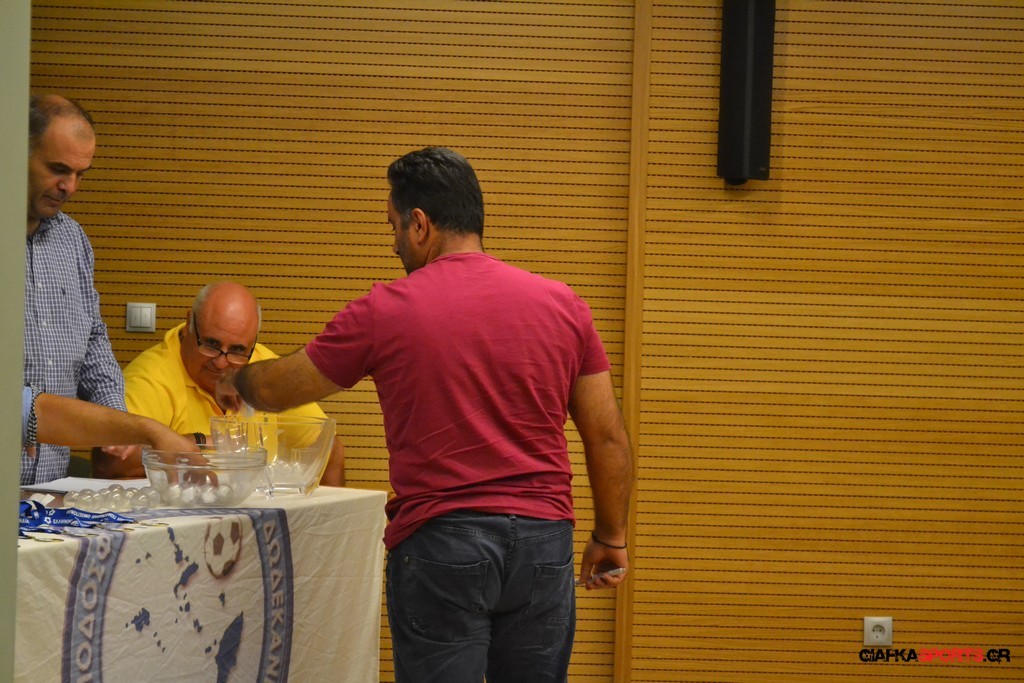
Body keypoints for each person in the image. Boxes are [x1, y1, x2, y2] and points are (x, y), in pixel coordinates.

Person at [215, 147, 633, 682]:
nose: (393, 243)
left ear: (419, 223)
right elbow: (607, 436)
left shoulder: (386, 310)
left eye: (393, 226)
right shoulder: (564, 306)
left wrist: (235, 379)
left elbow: (278, 390)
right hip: (542, 543)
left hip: (443, 542)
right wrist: (611, 536)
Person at [92, 281, 345, 485]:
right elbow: (108, 463)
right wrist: (200, 443)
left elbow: (327, 448)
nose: (222, 363)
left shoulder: (262, 367)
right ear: (189, 324)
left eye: (237, 350)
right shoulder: (150, 377)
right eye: (211, 345)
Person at [23, 94, 126, 485]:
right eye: (58, 169)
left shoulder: (73, 240)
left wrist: (113, 416)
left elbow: (93, 339)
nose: (69, 187)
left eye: (81, 174)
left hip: (50, 485)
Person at [22, 385, 197, 454]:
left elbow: (100, 371)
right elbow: (33, 411)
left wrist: (118, 425)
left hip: (51, 486)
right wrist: (150, 430)